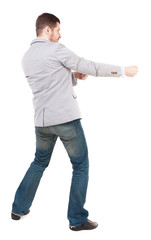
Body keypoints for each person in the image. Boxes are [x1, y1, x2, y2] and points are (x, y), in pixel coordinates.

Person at [11, 12, 138, 231]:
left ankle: (18, 208)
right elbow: (90, 66)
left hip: (41, 123)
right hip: (65, 120)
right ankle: (77, 219)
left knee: (39, 162)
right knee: (80, 166)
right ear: (47, 29)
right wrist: (123, 71)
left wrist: (74, 76)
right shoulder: (56, 49)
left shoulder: (26, 56)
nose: (60, 35)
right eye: (58, 30)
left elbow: (48, 80)